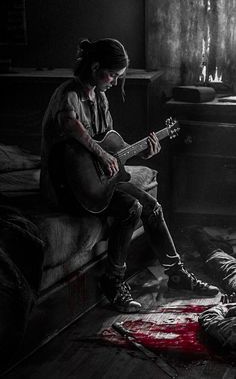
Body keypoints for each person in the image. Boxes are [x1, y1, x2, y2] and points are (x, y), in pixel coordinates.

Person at [40, 38, 219, 313]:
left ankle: (176, 273)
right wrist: (101, 156)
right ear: (95, 66)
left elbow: (112, 147)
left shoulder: (100, 98)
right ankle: (113, 281)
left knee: (152, 206)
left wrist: (144, 150)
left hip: (96, 184)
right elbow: (71, 126)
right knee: (130, 208)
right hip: (65, 188)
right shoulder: (68, 95)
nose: (113, 82)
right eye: (111, 75)